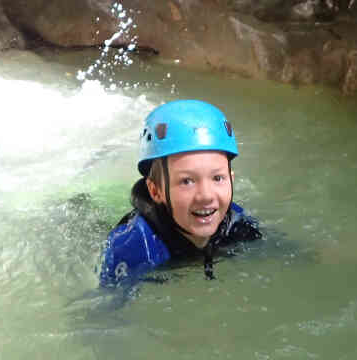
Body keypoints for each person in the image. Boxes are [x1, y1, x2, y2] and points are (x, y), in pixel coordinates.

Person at [99, 99, 262, 287]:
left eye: (217, 178)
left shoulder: (237, 224)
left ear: (231, 180)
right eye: (187, 181)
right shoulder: (133, 247)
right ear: (155, 191)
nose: (206, 196)